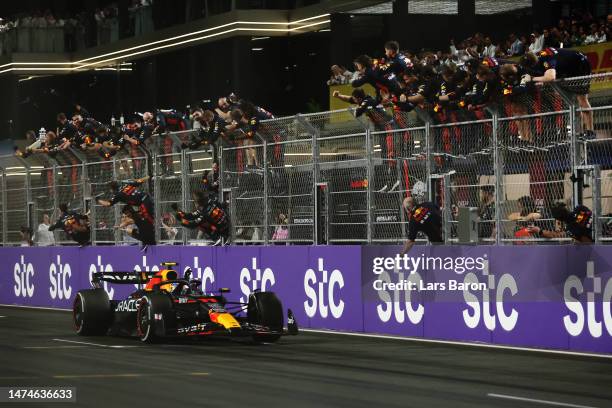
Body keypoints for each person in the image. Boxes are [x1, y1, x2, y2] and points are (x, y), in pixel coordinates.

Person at [521, 48, 594, 139]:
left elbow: (551, 77)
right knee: (571, 104)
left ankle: (590, 131)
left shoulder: (545, 58)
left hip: (579, 65)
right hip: (566, 70)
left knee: (581, 99)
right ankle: (578, 133)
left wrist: (532, 79)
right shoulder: (534, 60)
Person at [528, 202, 593, 243]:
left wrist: (538, 231)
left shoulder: (571, 229)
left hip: (595, 242)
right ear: (566, 208)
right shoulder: (580, 208)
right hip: (600, 231)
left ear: (559, 220)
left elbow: (554, 235)